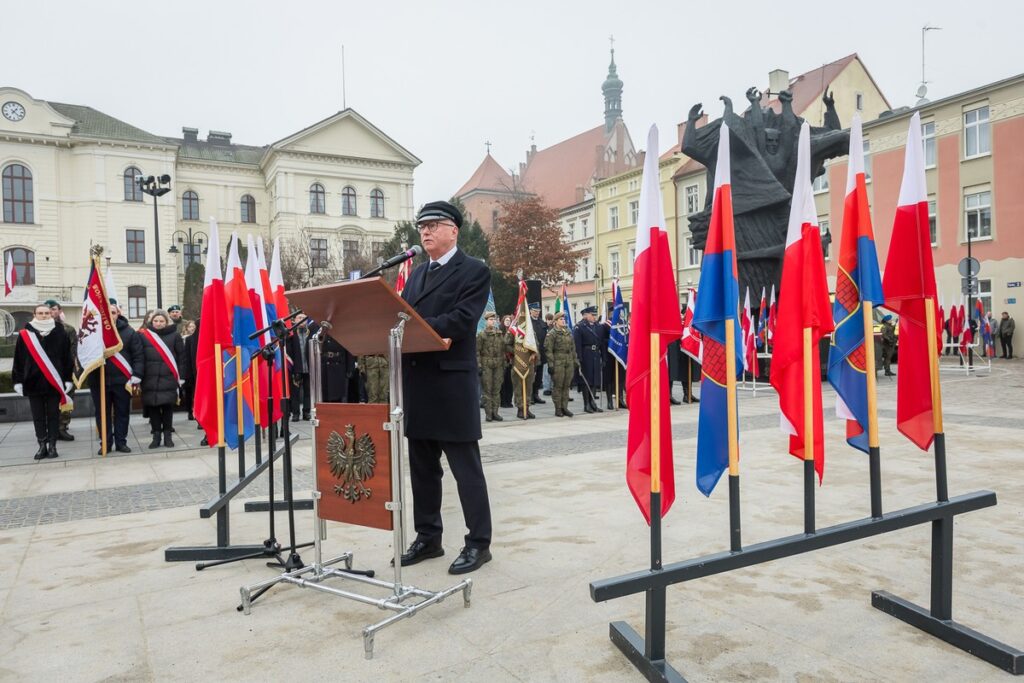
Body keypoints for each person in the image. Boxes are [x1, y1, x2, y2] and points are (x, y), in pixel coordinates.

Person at [399, 200, 493, 575]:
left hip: (451, 382)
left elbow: (463, 318)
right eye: (422, 226)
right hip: (419, 380)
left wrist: (418, 327)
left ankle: (478, 543)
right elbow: (402, 313)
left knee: (465, 469)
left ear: (453, 230)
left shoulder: (474, 270)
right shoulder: (417, 274)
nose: (425, 232)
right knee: (422, 469)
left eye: (434, 225)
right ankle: (428, 537)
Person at [13, 304, 75, 460]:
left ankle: (53, 446)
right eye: (40, 313)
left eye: (47, 313)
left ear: (51, 314)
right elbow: (19, 360)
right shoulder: (25, 334)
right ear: (34, 314)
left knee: (54, 415)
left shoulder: (60, 332)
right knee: (38, 416)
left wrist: (68, 379)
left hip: (54, 383)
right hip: (32, 383)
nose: (44, 315)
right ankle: (42, 445)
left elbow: (67, 358)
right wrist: (18, 381)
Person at [88, 300, 144, 454]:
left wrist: (137, 375)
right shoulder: (92, 332)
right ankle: (105, 443)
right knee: (102, 413)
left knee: (122, 413)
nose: (109, 316)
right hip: (98, 380)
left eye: (112, 312)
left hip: (122, 381)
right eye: (106, 312)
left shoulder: (129, 332)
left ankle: (121, 442)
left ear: (118, 314)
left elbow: (138, 356)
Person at [139, 310, 184, 448]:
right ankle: (156, 436)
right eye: (156, 321)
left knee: (167, 408)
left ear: (166, 322)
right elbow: (140, 357)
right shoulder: (144, 336)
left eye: (161, 321)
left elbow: (182, 358)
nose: (158, 323)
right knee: (153, 409)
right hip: (150, 379)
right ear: (151, 322)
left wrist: (181, 376)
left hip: (168, 378)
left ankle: (168, 436)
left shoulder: (175, 336)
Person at [45, 299, 77, 442]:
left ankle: (62, 427)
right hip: (46, 372)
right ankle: (49, 429)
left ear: (59, 311)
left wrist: (72, 372)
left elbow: (73, 352)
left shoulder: (68, 329)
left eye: (53, 309)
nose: (51, 312)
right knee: (47, 401)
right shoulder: (37, 329)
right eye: (48, 310)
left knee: (66, 399)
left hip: (64, 371)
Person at [574, 306, 606, 413]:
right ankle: (586, 403)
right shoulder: (580, 327)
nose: (594, 317)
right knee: (586, 380)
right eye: (592, 315)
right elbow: (577, 344)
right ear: (586, 315)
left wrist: (604, 357)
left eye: (595, 315)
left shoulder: (599, 327)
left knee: (594, 380)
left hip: (596, 354)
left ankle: (593, 402)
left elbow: (601, 344)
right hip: (586, 354)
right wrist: (579, 358)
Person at [544, 312, 576, 417]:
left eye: (564, 319)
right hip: (558, 362)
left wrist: (575, 361)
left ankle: (564, 407)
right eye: (561, 319)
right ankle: (558, 408)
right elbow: (548, 350)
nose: (563, 321)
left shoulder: (568, 331)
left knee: (566, 386)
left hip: (568, 361)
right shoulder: (552, 333)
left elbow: (572, 348)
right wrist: (551, 364)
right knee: (558, 386)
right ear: (556, 321)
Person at [476, 312, 506, 422]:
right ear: (486, 321)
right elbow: (477, 352)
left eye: (494, 320)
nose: (492, 322)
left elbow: (503, 350)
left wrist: (504, 364)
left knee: (496, 389)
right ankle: (488, 414)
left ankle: (495, 412)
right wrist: (479, 365)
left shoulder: (499, 334)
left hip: (498, 364)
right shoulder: (481, 335)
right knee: (487, 390)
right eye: (490, 319)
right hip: (486, 364)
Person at [506, 321, 537, 420]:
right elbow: (506, 345)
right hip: (518, 362)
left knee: (528, 386)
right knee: (518, 386)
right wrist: (517, 352)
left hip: (529, 362)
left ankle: (526, 408)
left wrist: (534, 353)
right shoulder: (514, 331)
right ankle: (520, 409)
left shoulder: (530, 331)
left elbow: (535, 344)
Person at [286, 313, 312, 420]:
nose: (301, 320)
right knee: (295, 392)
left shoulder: (311, 333)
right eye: (299, 318)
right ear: (295, 320)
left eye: (304, 318)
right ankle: (295, 413)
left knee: (308, 391)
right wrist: (292, 367)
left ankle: (306, 412)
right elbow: (289, 352)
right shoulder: (291, 334)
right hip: (296, 367)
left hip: (309, 367)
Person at [321, 334, 357, 403]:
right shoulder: (318, 329)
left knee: (339, 397)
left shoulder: (342, 331)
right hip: (324, 369)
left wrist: (350, 368)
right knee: (324, 397)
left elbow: (349, 350)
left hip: (339, 368)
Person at [529, 303, 547, 405]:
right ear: (530, 311)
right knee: (532, 375)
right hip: (532, 353)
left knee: (539, 376)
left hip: (541, 353)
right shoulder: (528, 322)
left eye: (538, 311)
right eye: (535, 311)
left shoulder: (542, 322)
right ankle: (530, 395)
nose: (537, 312)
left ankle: (536, 394)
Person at [499, 314, 514, 408]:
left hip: (511, 360)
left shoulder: (513, 332)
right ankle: (503, 401)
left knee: (510, 382)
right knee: (503, 382)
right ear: (503, 322)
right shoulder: (500, 333)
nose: (508, 322)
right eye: (506, 320)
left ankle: (509, 400)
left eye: (509, 321)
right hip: (502, 360)